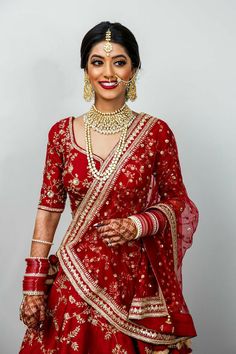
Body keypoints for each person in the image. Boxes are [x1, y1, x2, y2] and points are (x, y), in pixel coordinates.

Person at [19, 21, 198, 354]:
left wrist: (137, 224)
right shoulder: (61, 133)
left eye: (119, 61)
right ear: (86, 69)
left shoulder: (156, 133)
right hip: (76, 277)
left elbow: (176, 200)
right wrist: (33, 287)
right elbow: (48, 209)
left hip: (135, 286)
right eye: (97, 62)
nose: (108, 72)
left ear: (134, 69)